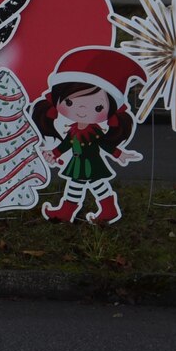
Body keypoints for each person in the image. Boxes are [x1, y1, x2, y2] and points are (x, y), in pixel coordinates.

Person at [32, 46, 147, 225]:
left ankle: (94, 210)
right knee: (82, 185)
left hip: (91, 163)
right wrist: (53, 153)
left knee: (92, 185)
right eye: (70, 102)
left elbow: (104, 144)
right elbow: (67, 144)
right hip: (79, 163)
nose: (83, 110)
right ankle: (76, 211)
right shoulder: (74, 130)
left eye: (97, 107)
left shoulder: (93, 132)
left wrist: (119, 154)